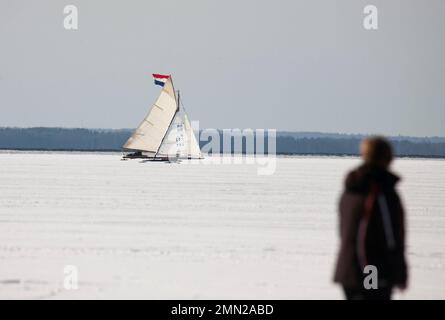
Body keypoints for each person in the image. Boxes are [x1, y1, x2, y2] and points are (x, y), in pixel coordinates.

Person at [333, 136, 408, 300]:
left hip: (350, 270)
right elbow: (378, 237)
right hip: (370, 272)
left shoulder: (352, 188)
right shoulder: (377, 192)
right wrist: (374, 277)